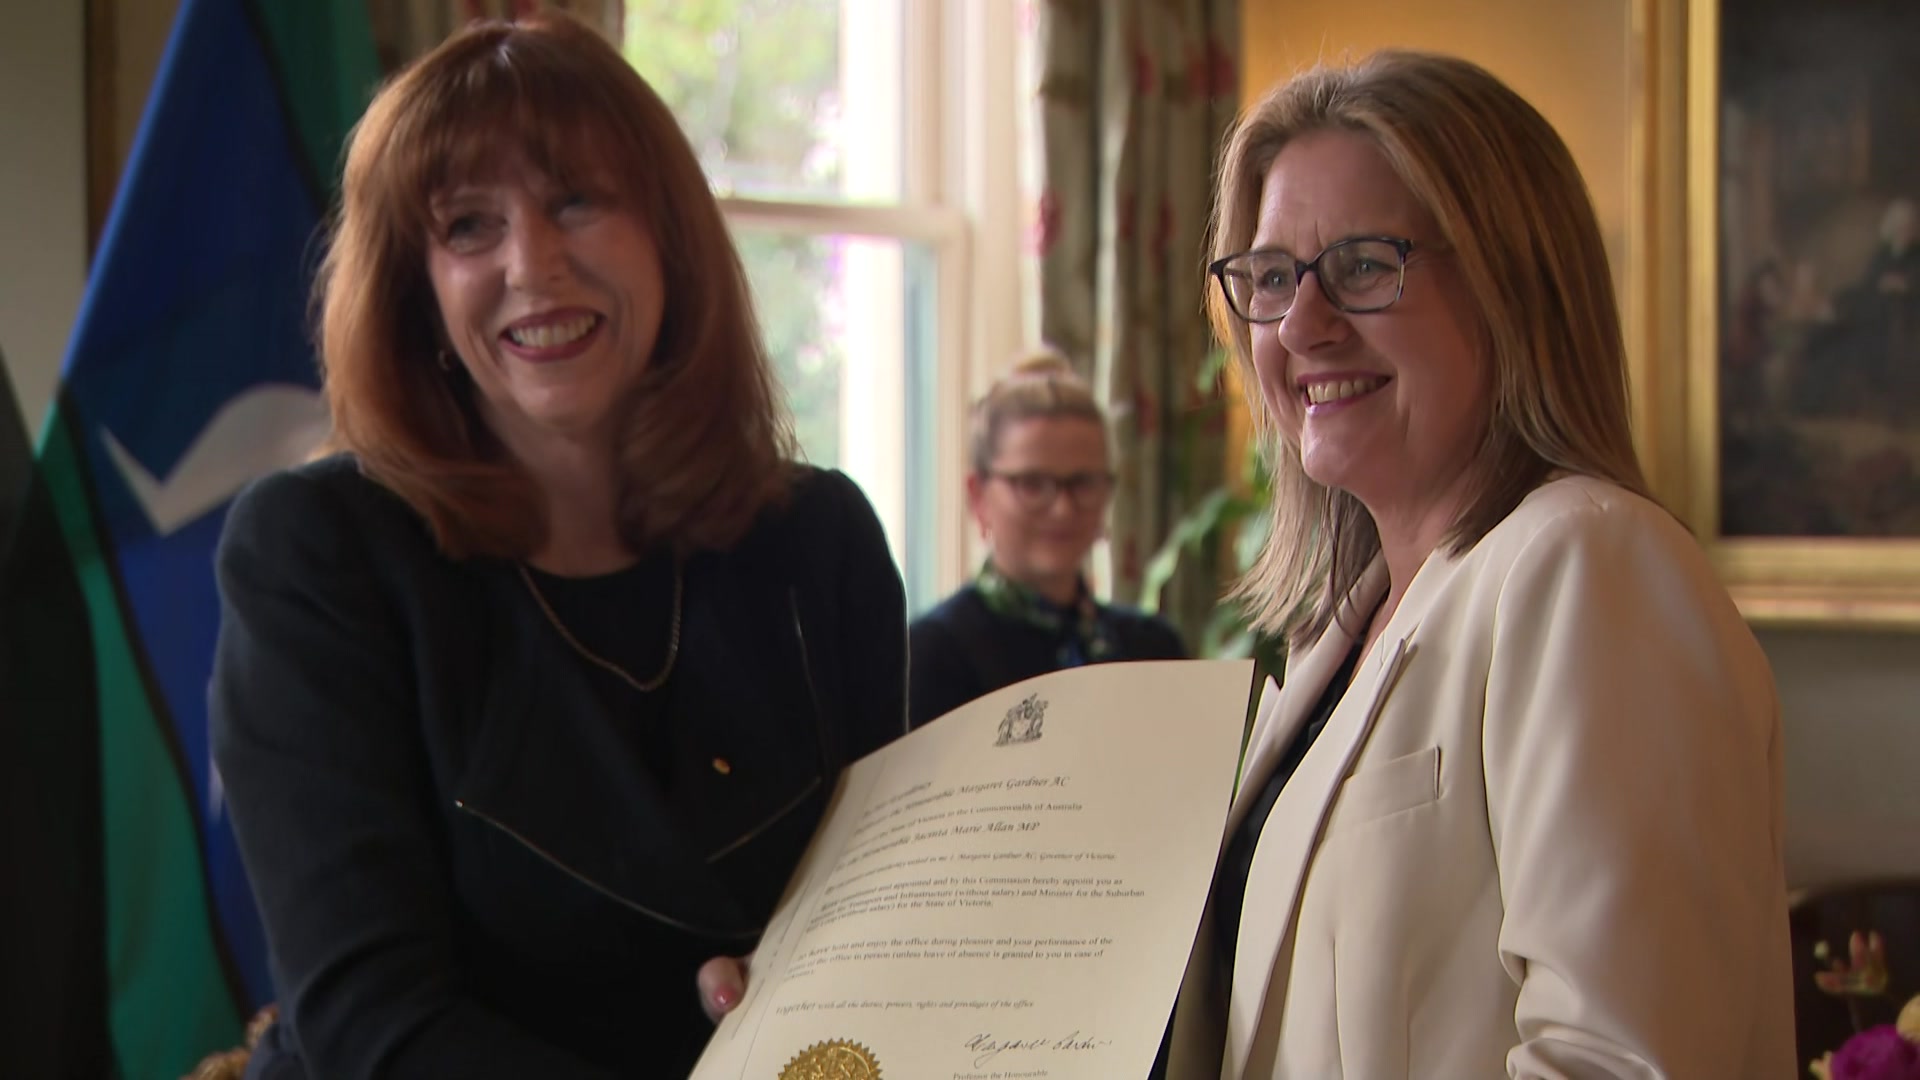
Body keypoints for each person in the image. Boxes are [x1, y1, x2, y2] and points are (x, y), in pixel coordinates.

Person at [208, 14, 906, 1079]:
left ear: (670, 240)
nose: (533, 265)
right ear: (420, 296)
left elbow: (890, 925)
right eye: (469, 227)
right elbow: (370, 1025)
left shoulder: (818, 543)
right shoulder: (319, 554)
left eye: (577, 201)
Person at [1161, 51, 1794, 1078]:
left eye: (1363, 265)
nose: (1304, 326)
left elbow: (1620, 1062)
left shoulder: (1589, 562)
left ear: (1514, 284)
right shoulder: (1340, 633)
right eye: (1272, 278)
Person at [907, 351, 1185, 727]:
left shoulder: (1154, 649)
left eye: (1083, 483)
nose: (1062, 509)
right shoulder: (932, 656)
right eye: (1033, 484)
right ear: (978, 495)